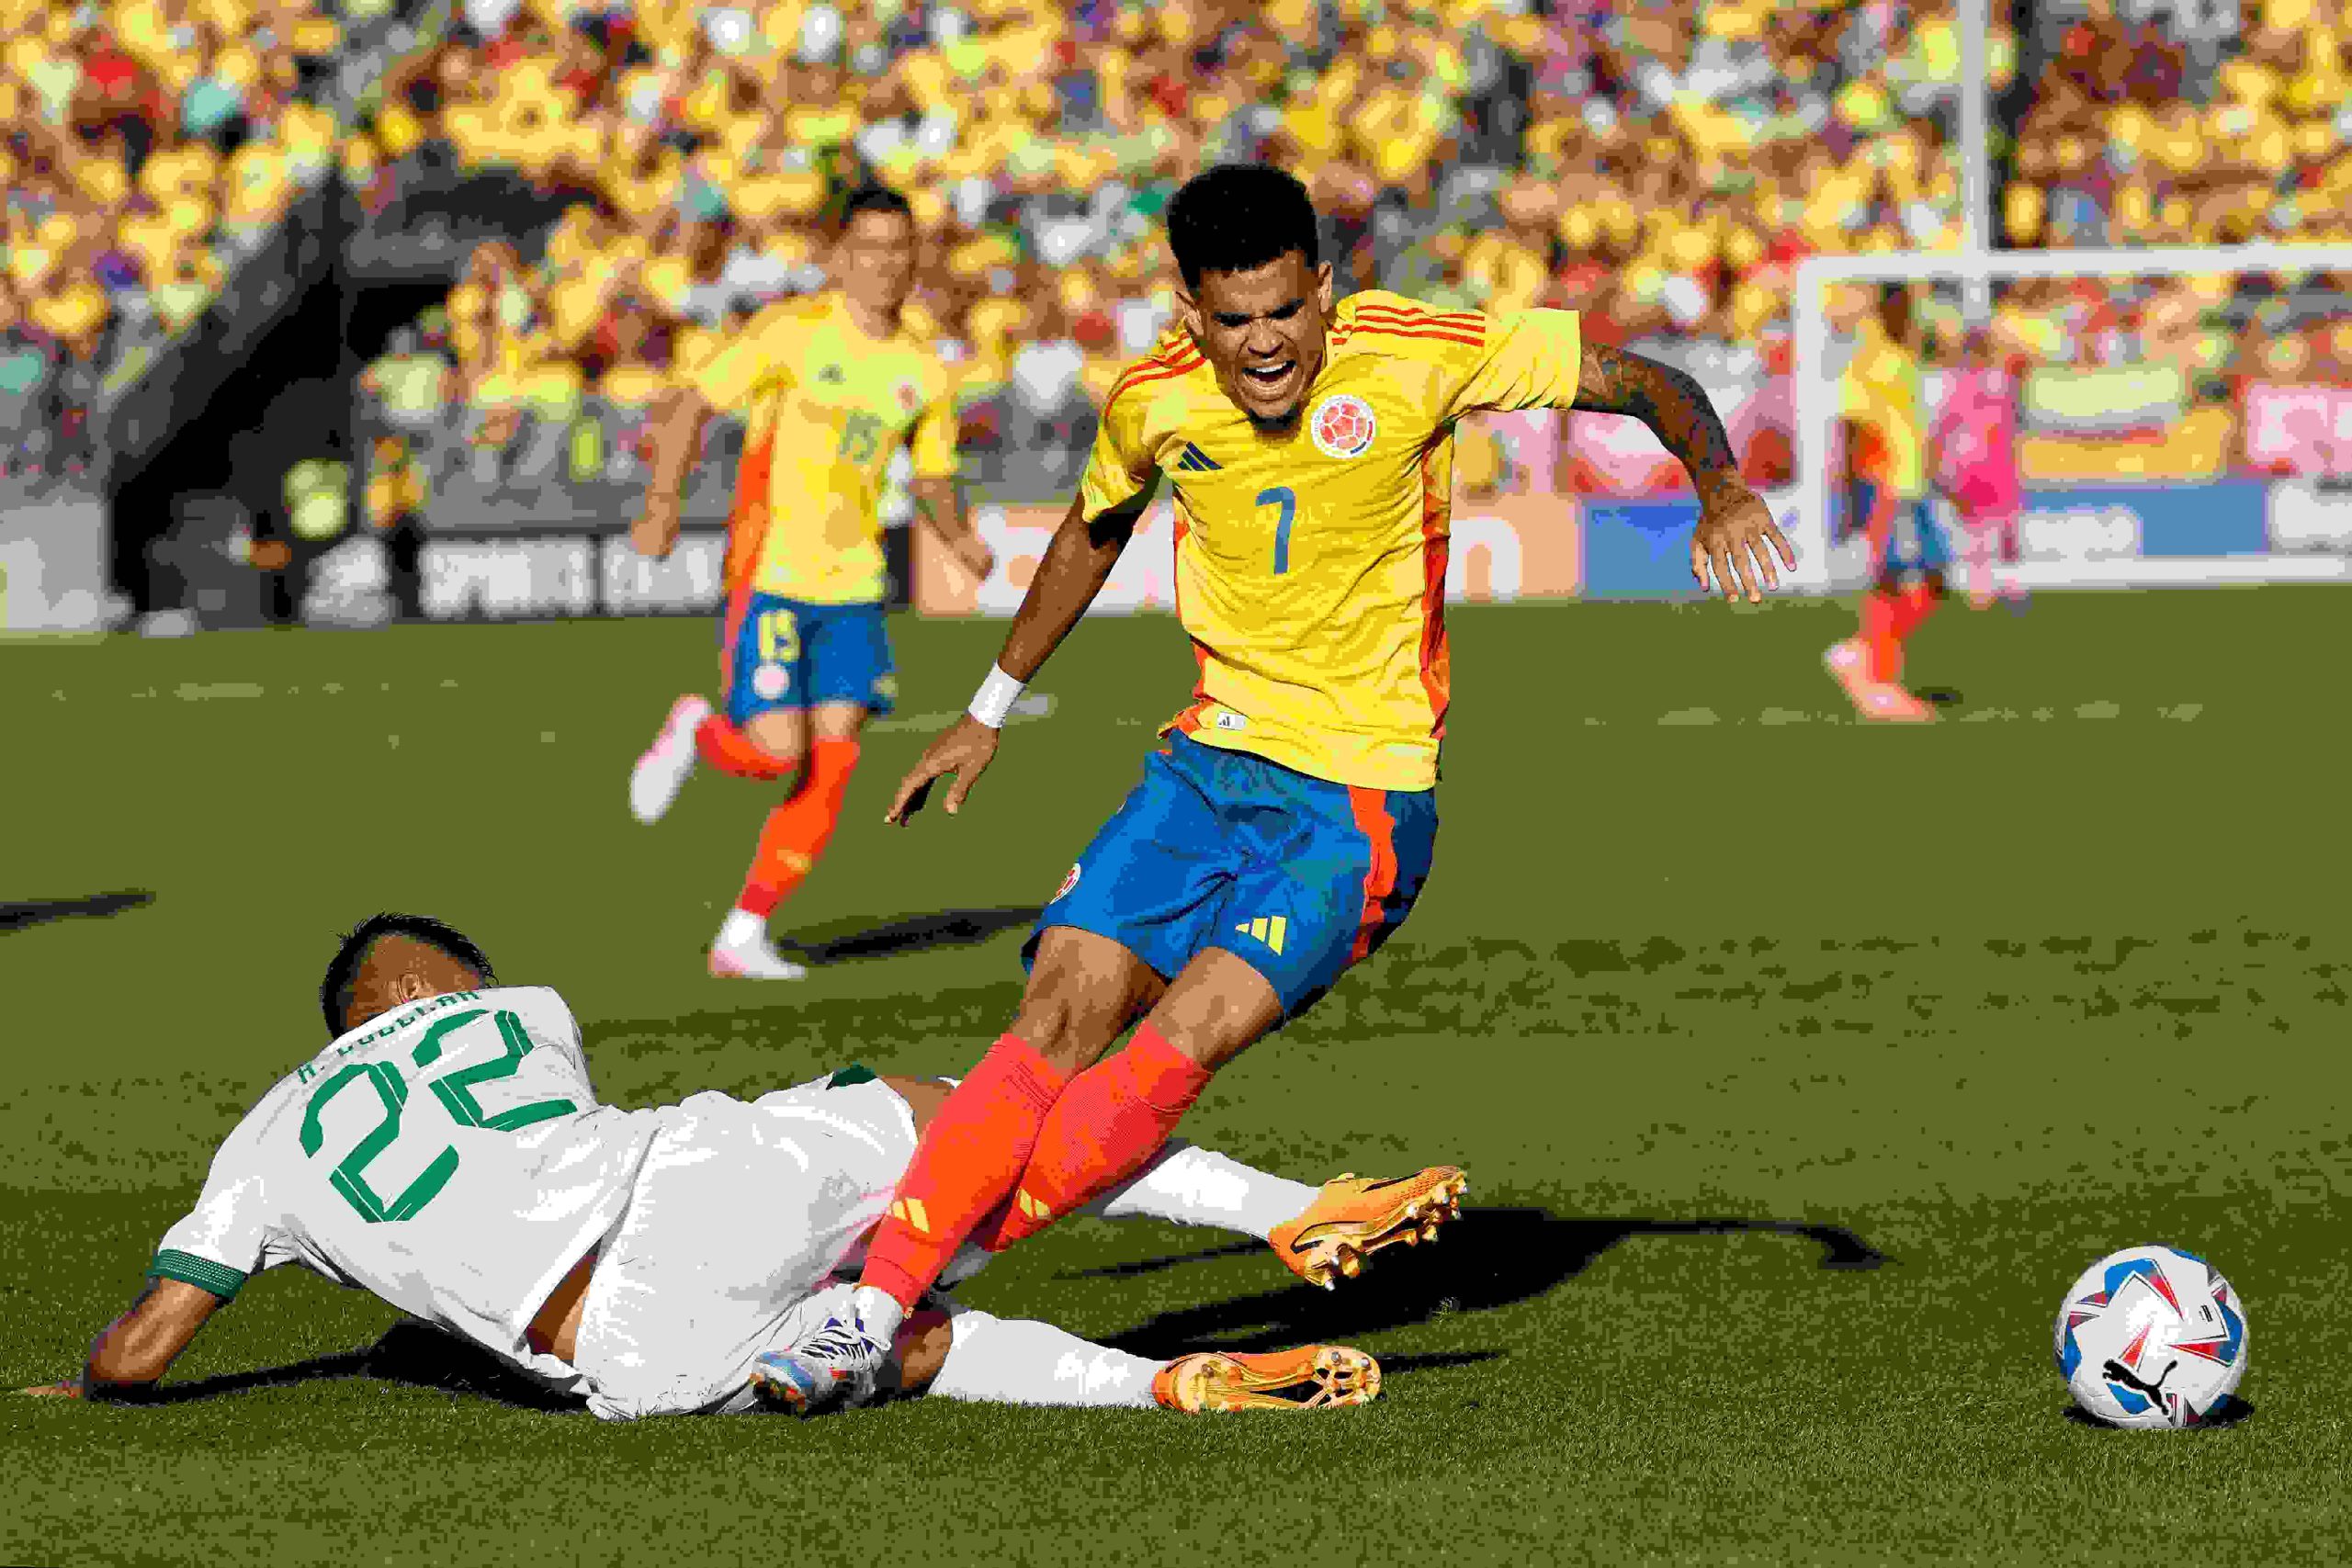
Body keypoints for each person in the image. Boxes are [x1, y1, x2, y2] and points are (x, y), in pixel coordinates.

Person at [759, 163, 1792, 1403]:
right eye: (1233, 319)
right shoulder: (1153, 399)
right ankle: (868, 1308)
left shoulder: (1419, 349)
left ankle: (895, 1272)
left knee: (1162, 1056)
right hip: (1202, 765)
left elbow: (1639, 379)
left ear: (1326, 288)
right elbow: (1098, 526)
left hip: (1355, 806)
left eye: (1285, 312)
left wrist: (1719, 481)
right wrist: (987, 708)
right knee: (1055, 1015)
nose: (1264, 346)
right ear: (1189, 310)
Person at [20, 914, 1390, 1418]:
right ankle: (1284, 1209)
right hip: (684, 1187)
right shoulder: (521, 1009)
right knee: (954, 1113)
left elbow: (140, 1353)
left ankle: (1159, 1386)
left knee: (903, 1339)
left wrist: (78, 1374)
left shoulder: (259, 1142)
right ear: (434, 983)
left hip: (626, 1362)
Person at [625, 186, 996, 979]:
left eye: (900, 249)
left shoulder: (922, 369)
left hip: (856, 589)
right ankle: (696, 730)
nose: (885, 265)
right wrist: (662, 505)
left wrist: (959, 538)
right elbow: (694, 404)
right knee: (772, 752)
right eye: (869, 248)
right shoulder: (792, 334)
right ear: (840, 257)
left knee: (835, 760)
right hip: (773, 573)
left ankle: (744, 932)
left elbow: (932, 477)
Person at [1823, 285, 1945, 722]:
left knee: (1934, 580)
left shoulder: (1901, 356)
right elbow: (1852, 426)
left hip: (1914, 486)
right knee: (1889, 583)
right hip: (1885, 486)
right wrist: (1855, 490)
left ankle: (1861, 652)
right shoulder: (1869, 360)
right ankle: (1881, 686)